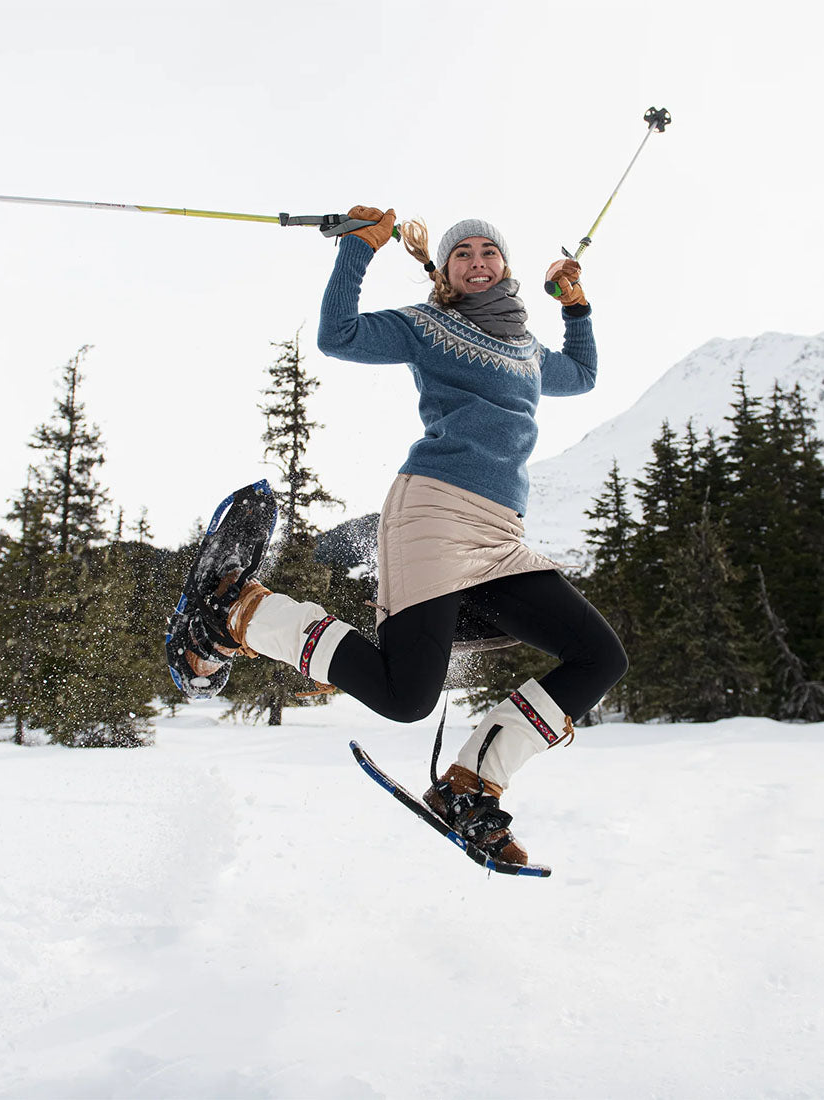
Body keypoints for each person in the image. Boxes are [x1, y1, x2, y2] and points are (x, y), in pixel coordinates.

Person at [183, 205, 628, 866]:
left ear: (505, 265)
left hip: (501, 535)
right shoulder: (429, 326)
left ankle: (470, 786)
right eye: (462, 254)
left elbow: (583, 376)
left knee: (599, 657)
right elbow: (338, 335)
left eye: (488, 251)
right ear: (445, 272)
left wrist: (577, 306)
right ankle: (236, 611)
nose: (477, 261)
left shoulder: (529, 352)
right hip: (435, 511)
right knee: (404, 697)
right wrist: (357, 250)